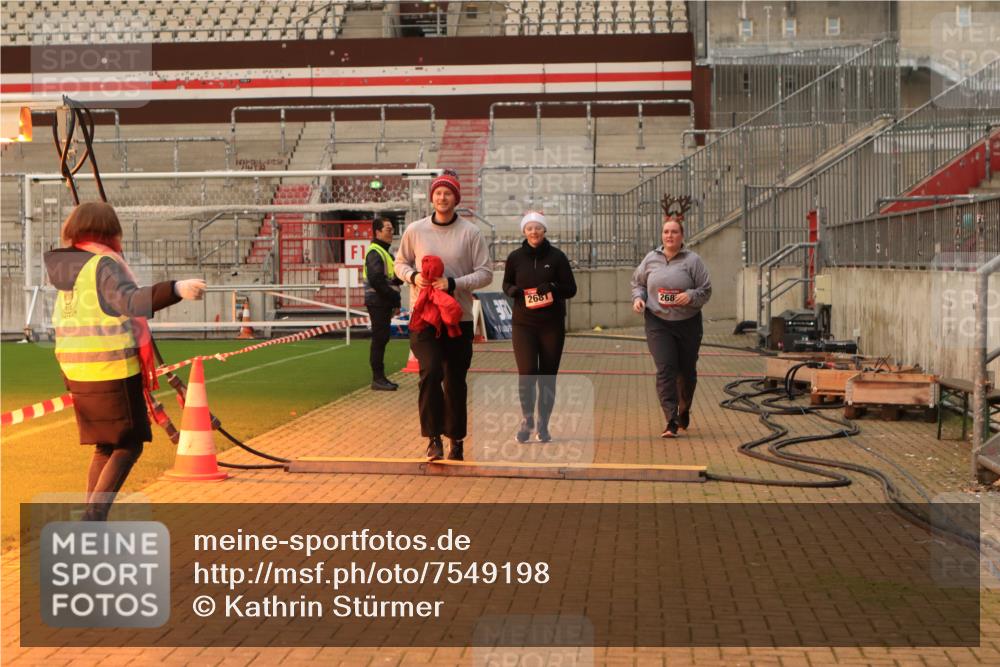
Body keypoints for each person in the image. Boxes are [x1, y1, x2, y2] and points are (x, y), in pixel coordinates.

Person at [44, 201, 206, 520]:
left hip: (77, 370)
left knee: (105, 446)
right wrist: (174, 289)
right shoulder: (103, 264)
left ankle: (90, 518)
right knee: (129, 444)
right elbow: (130, 301)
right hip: (111, 368)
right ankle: (93, 518)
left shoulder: (69, 269)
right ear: (109, 230)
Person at [394, 171, 492, 461]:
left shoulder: (471, 233)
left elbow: (485, 273)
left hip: (458, 319)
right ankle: (433, 438)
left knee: (454, 381)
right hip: (424, 318)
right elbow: (399, 263)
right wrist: (413, 277)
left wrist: (453, 284)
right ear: (432, 197)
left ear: (456, 198)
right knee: (431, 371)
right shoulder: (415, 230)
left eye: (448, 193)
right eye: (438, 192)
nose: (442, 197)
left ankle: (456, 439)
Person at [630, 215, 712, 438]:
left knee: (686, 372)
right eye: (666, 232)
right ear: (661, 236)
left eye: (674, 232)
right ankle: (671, 419)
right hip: (658, 322)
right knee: (665, 369)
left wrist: (691, 295)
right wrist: (638, 298)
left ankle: (684, 409)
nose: (670, 236)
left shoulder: (692, 261)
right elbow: (638, 283)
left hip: (687, 324)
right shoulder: (650, 259)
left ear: (682, 236)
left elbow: (706, 289)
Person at [502, 211, 577, 443]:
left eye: (538, 228)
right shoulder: (515, 257)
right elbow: (507, 283)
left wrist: (553, 287)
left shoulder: (557, 257)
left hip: (551, 326)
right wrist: (512, 291)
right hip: (523, 324)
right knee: (526, 374)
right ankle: (527, 419)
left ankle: (543, 423)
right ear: (524, 231)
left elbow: (570, 289)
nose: (534, 232)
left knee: (547, 376)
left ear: (544, 231)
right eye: (529, 228)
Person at [364, 217, 403, 391]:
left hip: (382, 301)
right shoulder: (375, 252)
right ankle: (378, 379)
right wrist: (394, 298)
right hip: (378, 301)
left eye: (392, 228)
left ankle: (379, 378)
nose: (391, 232)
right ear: (378, 232)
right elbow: (377, 280)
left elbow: (388, 278)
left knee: (382, 339)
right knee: (380, 339)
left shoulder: (384, 252)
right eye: (388, 229)